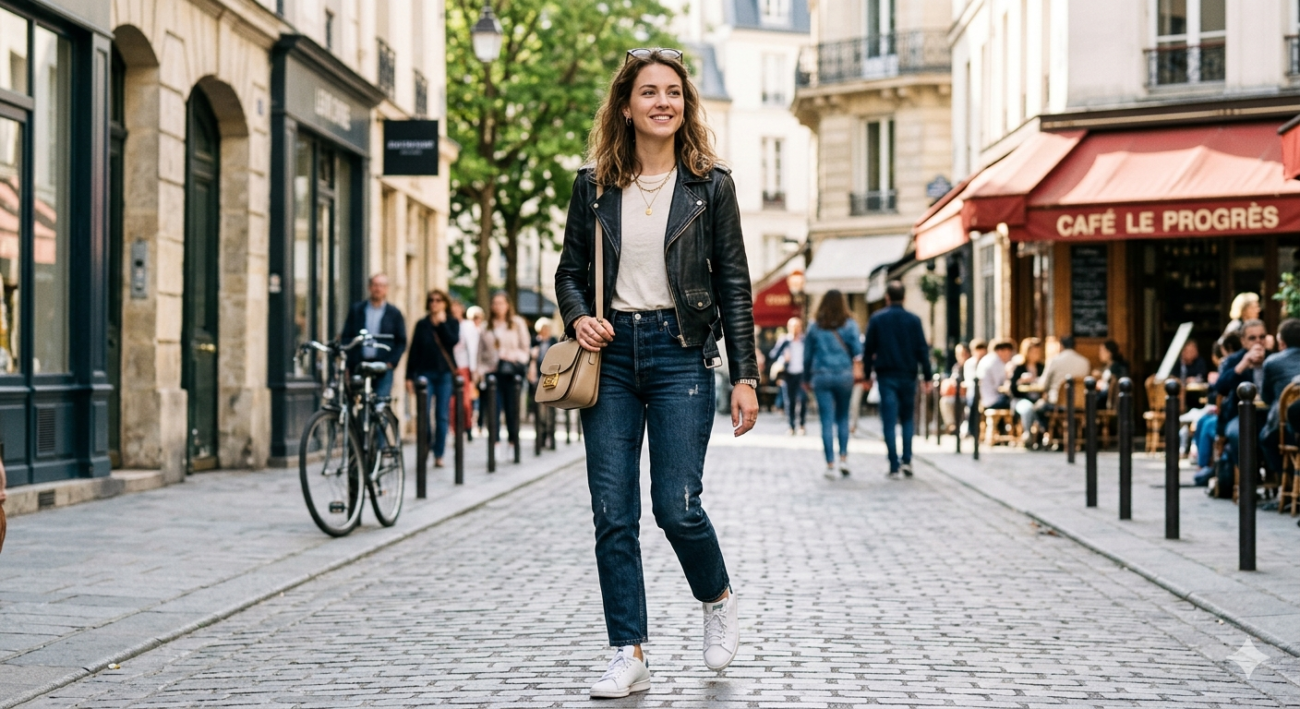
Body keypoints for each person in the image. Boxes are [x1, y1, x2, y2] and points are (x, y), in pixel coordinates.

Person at [553, 47, 758, 698]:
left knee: (676, 506)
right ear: (625, 104)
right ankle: (629, 650)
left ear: (685, 104)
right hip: (609, 356)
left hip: (681, 352)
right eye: (649, 92)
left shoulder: (711, 185)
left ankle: (717, 593)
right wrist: (579, 315)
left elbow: (734, 283)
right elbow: (569, 272)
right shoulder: (593, 186)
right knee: (613, 512)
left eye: (673, 91)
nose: (662, 101)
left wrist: (746, 375)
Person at [862, 280, 933, 476]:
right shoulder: (914, 320)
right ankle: (907, 460)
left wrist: (867, 375)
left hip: (886, 376)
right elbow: (922, 350)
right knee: (908, 419)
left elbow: (868, 350)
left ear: (886, 297)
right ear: (904, 297)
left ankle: (894, 464)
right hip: (908, 375)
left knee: (889, 420)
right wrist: (927, 377)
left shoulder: (877, 319)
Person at [803, 290, 860, 479]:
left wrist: (805, 379)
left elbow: (807, 356)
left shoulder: (815, 326)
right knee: (843, 418)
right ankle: (843, 459)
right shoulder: (850, 325)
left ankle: (830, 464)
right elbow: (858, 351)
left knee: (826, 420)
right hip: (844, 375)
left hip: (822, 376)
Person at [405, 289, 460, 468]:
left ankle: (439, 453)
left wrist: (442, 324)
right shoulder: (422, 324)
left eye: (438, 300)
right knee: (424, 415)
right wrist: (409, 376)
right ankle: (426, 443)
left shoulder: (451, 322)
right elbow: (413, 351)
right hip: (424, 374)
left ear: (445, 303)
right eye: (431, 300)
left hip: (444, 374)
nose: (434, 303)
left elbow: (452, 342)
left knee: (442, 416)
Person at [478, 292, 532, 449]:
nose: (498, 306)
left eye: (501, 303)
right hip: (492, 372)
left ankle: (512, 441)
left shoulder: (517, 323)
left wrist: (511, 355)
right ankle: (494, 442)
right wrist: (481, 371)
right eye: (495, 303)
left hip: (511, 372)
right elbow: (480, 354)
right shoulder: (485, 326)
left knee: (511, 409)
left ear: (508, 305)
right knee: (493, 409)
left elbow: (525, 350)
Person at [340, 273, 407, 398]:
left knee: (380, 401)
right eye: (375, 285)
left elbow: (401, 341)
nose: (378, 289)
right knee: (357, 400)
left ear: (386, 289)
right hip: (360, 365)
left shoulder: (394, 313)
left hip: (383, 366)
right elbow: (347, 337)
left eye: (381, 285)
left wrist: (391, 362)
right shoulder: (357, 310)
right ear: (369, 287)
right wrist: (350, 361)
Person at [1215, 319, 1268, 474]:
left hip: (1267, 415)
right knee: (1237, 433)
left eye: (1262, 337)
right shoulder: (1234, 360)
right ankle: (1249, 478)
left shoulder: (1273, 358)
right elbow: (1220, 388)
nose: (1258, 341)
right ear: (1243, 341)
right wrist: (1242, 365)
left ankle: (1278, 477)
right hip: (1239, 416)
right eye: (1252, 338)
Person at [1257, 319, 1300, 473]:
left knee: (1265, 438)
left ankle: (1286, 480)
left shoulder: (1272, 362)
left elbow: (1266, 398)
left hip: (1287, 426)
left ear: (1281, 342)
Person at [768, 317, 807, 435]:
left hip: (802, 374)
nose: (796, 329)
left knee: (803, 399)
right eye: (794, 327)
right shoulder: (784, 341)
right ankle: (791, 426)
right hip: (788, 374)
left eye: (798, 326)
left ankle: (802, 425)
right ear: (789, 328)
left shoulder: (804, 340)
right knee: (789, 401)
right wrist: (783, 357)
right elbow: (772, 355)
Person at [1038, 335, 1091, 413]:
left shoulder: (1054, 360)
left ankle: (1046, 425)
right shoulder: (1085, 362)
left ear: (1061, 345)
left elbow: (1043, 384)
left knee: (1038, 409)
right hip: (1080, 403)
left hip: (1057, 403)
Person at [449, 301, 478, 440]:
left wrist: (473, 370)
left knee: (466, 401)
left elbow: (473, 348)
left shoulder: (467, 326)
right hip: (451, 367)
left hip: (464, 367)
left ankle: (467, 426)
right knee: (452, 402)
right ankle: (454, 428)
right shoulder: (448, 324)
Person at [1010, 338, 1045, 447]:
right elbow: (1012, 388)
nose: (1036, 354)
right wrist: (1021, 381)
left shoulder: (1042, 367)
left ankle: (1042, 436)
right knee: (1028, 408)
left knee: (1043, 407)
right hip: (1021, 399)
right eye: (1033, 351)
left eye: (1038, 351)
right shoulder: (1019, 367)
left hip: (1038, 398)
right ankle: (1028, 434)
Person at [976, 340, 1015, 411]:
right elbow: (1000, 386)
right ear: (1000, 351)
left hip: (984, 399)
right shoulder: (996, 362)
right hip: (992, 400)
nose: (1010, 356)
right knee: (1016, 402)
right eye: (1008, 353)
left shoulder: (988, 359)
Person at [940, 343, 970, 431]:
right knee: (945, 401)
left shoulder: (970, 364)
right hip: (957, 394)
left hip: (967, 395)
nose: (960, 356)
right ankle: (952, 425)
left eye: (962, 353)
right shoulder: (956, 367)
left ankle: (958, 427)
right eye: (958, 354)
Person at [962, 339, 988, 434]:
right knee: (973, 399)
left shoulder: (987, 363)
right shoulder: (969, 363)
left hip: (987, 392)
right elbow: (969, 380)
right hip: (974, 392)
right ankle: (971, 429)